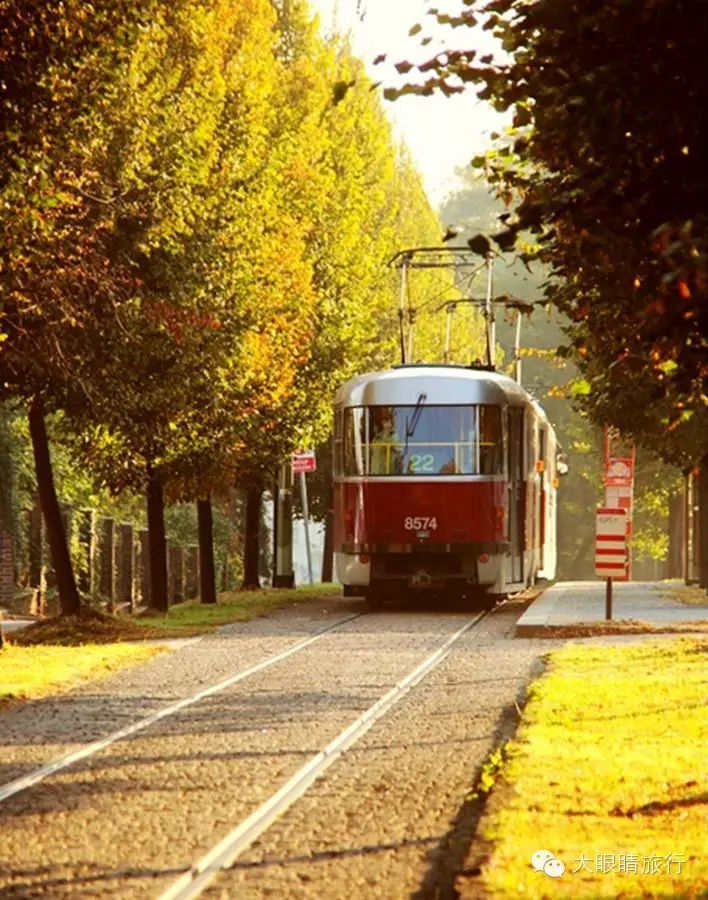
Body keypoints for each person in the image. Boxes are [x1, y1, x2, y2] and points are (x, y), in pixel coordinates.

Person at [370, 409, 400, 474]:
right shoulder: (377, 437)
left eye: (387, 420)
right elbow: (371, 450)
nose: (384, 423)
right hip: (374, 472)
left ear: (391, 422)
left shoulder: (393, 435)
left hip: (387, 473)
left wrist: (388, 431)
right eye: (383, 420)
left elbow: (397, 449)